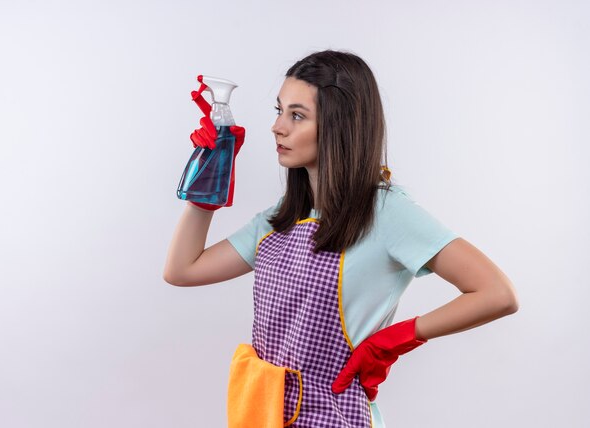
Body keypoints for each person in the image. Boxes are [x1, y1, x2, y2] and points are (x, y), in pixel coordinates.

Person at [163, 50, 519, 428]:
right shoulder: (279, 218)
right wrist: (207, 186)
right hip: (268, 416)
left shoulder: (384, 212)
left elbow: (496, 293)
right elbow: (183, 270)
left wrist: (395, 339)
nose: (277, 127)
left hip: (337, 418)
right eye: (279, 110)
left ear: (340, 125)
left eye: (297, 115)